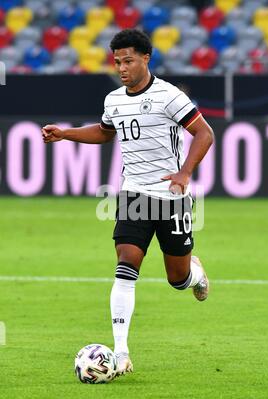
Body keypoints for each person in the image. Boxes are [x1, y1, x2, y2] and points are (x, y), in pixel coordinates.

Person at [42, 29, 214, 376]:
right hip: (134, 193)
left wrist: (184, 173)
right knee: (126, 264)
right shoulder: (113, 100)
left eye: (128, 60)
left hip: (172, 197)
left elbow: (204, 133)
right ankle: (121, 354)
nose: (122, 67)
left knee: (177, 279)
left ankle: (195, 274)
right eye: (117, 61)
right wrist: (66, 133)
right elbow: (106, 132)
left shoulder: (170, 96)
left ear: (145, 59)